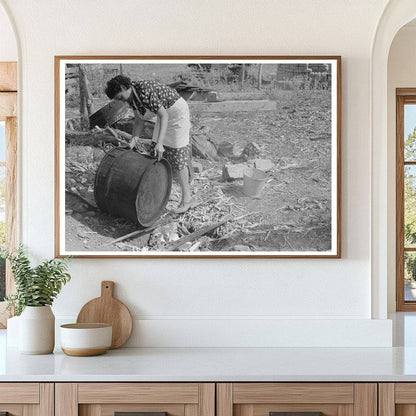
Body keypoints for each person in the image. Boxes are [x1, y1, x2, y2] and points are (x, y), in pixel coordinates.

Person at [105, 75, 192, 214]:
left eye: (120, 97)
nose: (121, 101)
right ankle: (158, 193)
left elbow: (164, 115)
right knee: (154, 152)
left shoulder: (144, 90)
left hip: (176, 114)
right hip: (163, 115)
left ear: (123, 88)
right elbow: (139, 120)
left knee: (177, 156)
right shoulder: (131, 96)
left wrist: (161, 144)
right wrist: (134, 140)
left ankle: (187, 199)